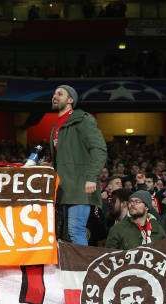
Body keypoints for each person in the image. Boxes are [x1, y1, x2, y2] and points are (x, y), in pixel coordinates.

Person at [49, 84, 107, 246]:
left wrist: (91, 178)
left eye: (59, 94)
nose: (55, 96)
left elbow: (99, 149)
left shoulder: (83, 120)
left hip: (81, 187)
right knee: (65, 234)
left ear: (70, 100)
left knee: (75, 231)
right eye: (54, 93)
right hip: (63, 189)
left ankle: (83, 270)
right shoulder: (56, 127)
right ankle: (72, 269)